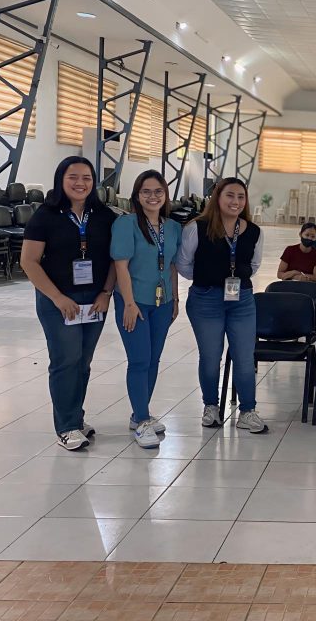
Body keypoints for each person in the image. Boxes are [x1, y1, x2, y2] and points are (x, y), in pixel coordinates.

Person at [21, 156, 117, 451]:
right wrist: (58, 298)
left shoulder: (104, 216)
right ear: (61, 180)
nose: (80, 183)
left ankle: (75, 417)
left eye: (87, 178)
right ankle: (66, 427)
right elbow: (29, 262)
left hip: (94, 300)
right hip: (58, 300)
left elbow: (116, 260)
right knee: (66, 361)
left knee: (83, 362)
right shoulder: (45, 216)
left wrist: (105, 293)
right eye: (73, 177)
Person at [176, 177, 267, 433]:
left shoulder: (253, 231)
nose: (235, 201)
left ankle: (247, 411)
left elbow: (254, 265)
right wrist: (208, 277)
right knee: (210, 357)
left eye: (240, 196)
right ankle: (211, 406)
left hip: (242, 301)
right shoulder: (198, 227)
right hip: (206, 300)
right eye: (230, 195)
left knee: (244, 357)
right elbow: (183, 263)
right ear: (218, 197)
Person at [111, 170, 182, 449]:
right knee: (139, 359)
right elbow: (121, 266)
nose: (153, 197)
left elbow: (173, 265)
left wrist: (175, 298)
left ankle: (140, 413)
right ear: (137, 196)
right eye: (146, 192)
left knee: (153, 360)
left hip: (162, 303)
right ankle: (142, 421)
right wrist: (128, 303)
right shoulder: (126, 224)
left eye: (158, 191)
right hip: (135, 302)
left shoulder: (172, 227)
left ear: (165, 195)